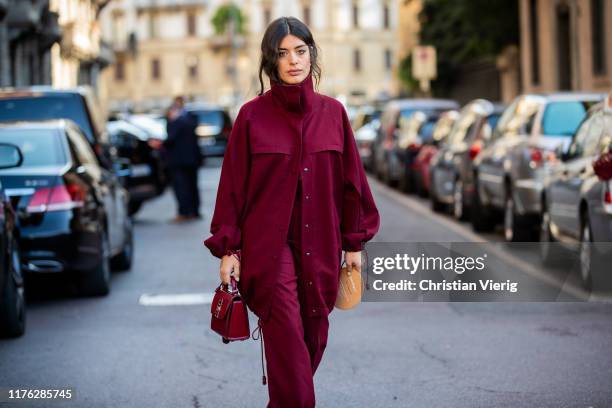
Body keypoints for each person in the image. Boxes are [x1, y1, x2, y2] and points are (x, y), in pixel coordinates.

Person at [204, 17, 380, 407]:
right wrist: (228, 250)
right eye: (283, 54)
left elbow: (353, 185)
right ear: (271, 62)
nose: (293, 61)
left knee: (311, 341)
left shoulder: (333, 114)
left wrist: (354, 245)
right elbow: (232, 188)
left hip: (321, 247)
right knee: (287, 342)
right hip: (269, 253)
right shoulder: (251, 117)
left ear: (311, 54)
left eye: (300, 51)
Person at [164, 96, 201, 222]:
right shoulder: (190, 118)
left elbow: (170, 138)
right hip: (191, 159)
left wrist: (173, 121)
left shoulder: (180, 120)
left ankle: (185, 212)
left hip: (179, 160)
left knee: (182, 187)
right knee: (191, 186)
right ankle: (193, 211)